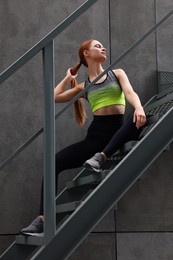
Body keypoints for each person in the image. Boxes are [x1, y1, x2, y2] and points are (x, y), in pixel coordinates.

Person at [20, 39, 146, 235]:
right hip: (95, 139)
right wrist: (67, 77)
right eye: (97, 45)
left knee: (135, 119)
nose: (103, 47)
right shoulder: (83, 87)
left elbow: (130, 93)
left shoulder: (117, 73)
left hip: (119, 131)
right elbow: (54, 97)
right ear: (86, 54)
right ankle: (43, 220)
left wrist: (138, 107)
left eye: (103, 45)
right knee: (53, 163)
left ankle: (101, 157)